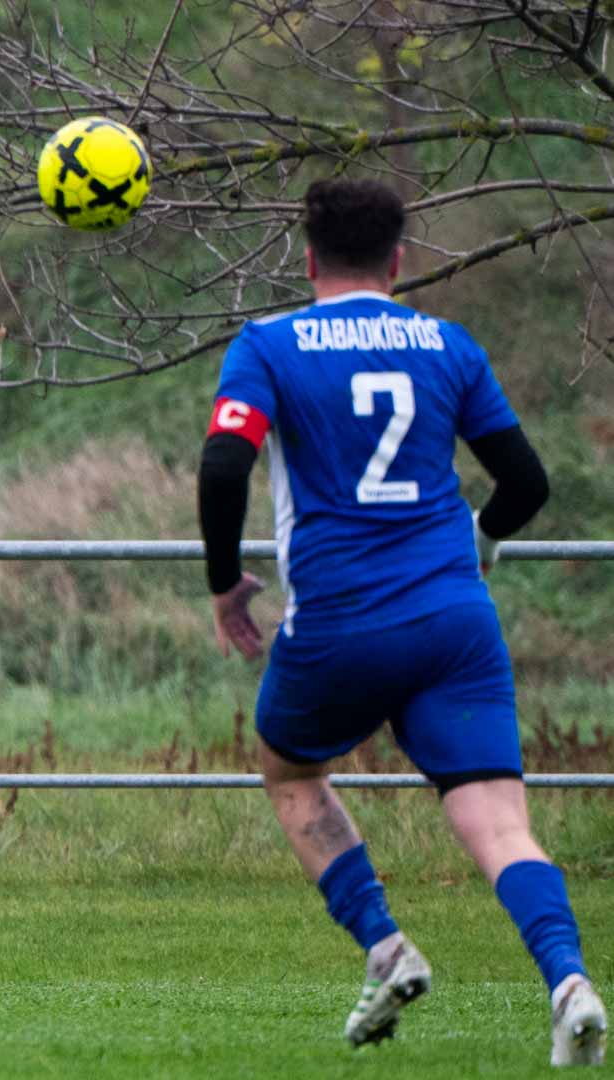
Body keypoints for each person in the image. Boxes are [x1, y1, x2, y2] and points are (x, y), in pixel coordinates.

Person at [197, 179, 603, 1065]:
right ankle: (568, 980)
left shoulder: (268, 345)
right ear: (399, 261)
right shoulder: (447, 345)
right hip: (454, 620)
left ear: (308, 258)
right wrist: (480, 544)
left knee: (289, 770)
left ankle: (384, 946)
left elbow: (225, 465)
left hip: (339, 621)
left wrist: (225, 585)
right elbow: (526, 482)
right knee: (499, 823)